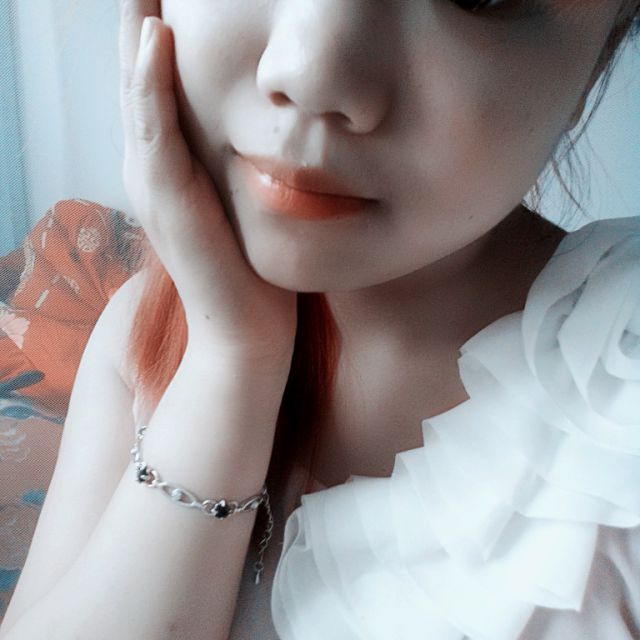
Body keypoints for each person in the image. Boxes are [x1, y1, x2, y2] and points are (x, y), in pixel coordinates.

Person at [0, 1, 638, 638]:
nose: (310, 72)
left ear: (601, 53)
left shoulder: (618, 405)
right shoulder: (141, 334)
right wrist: (231, 360)